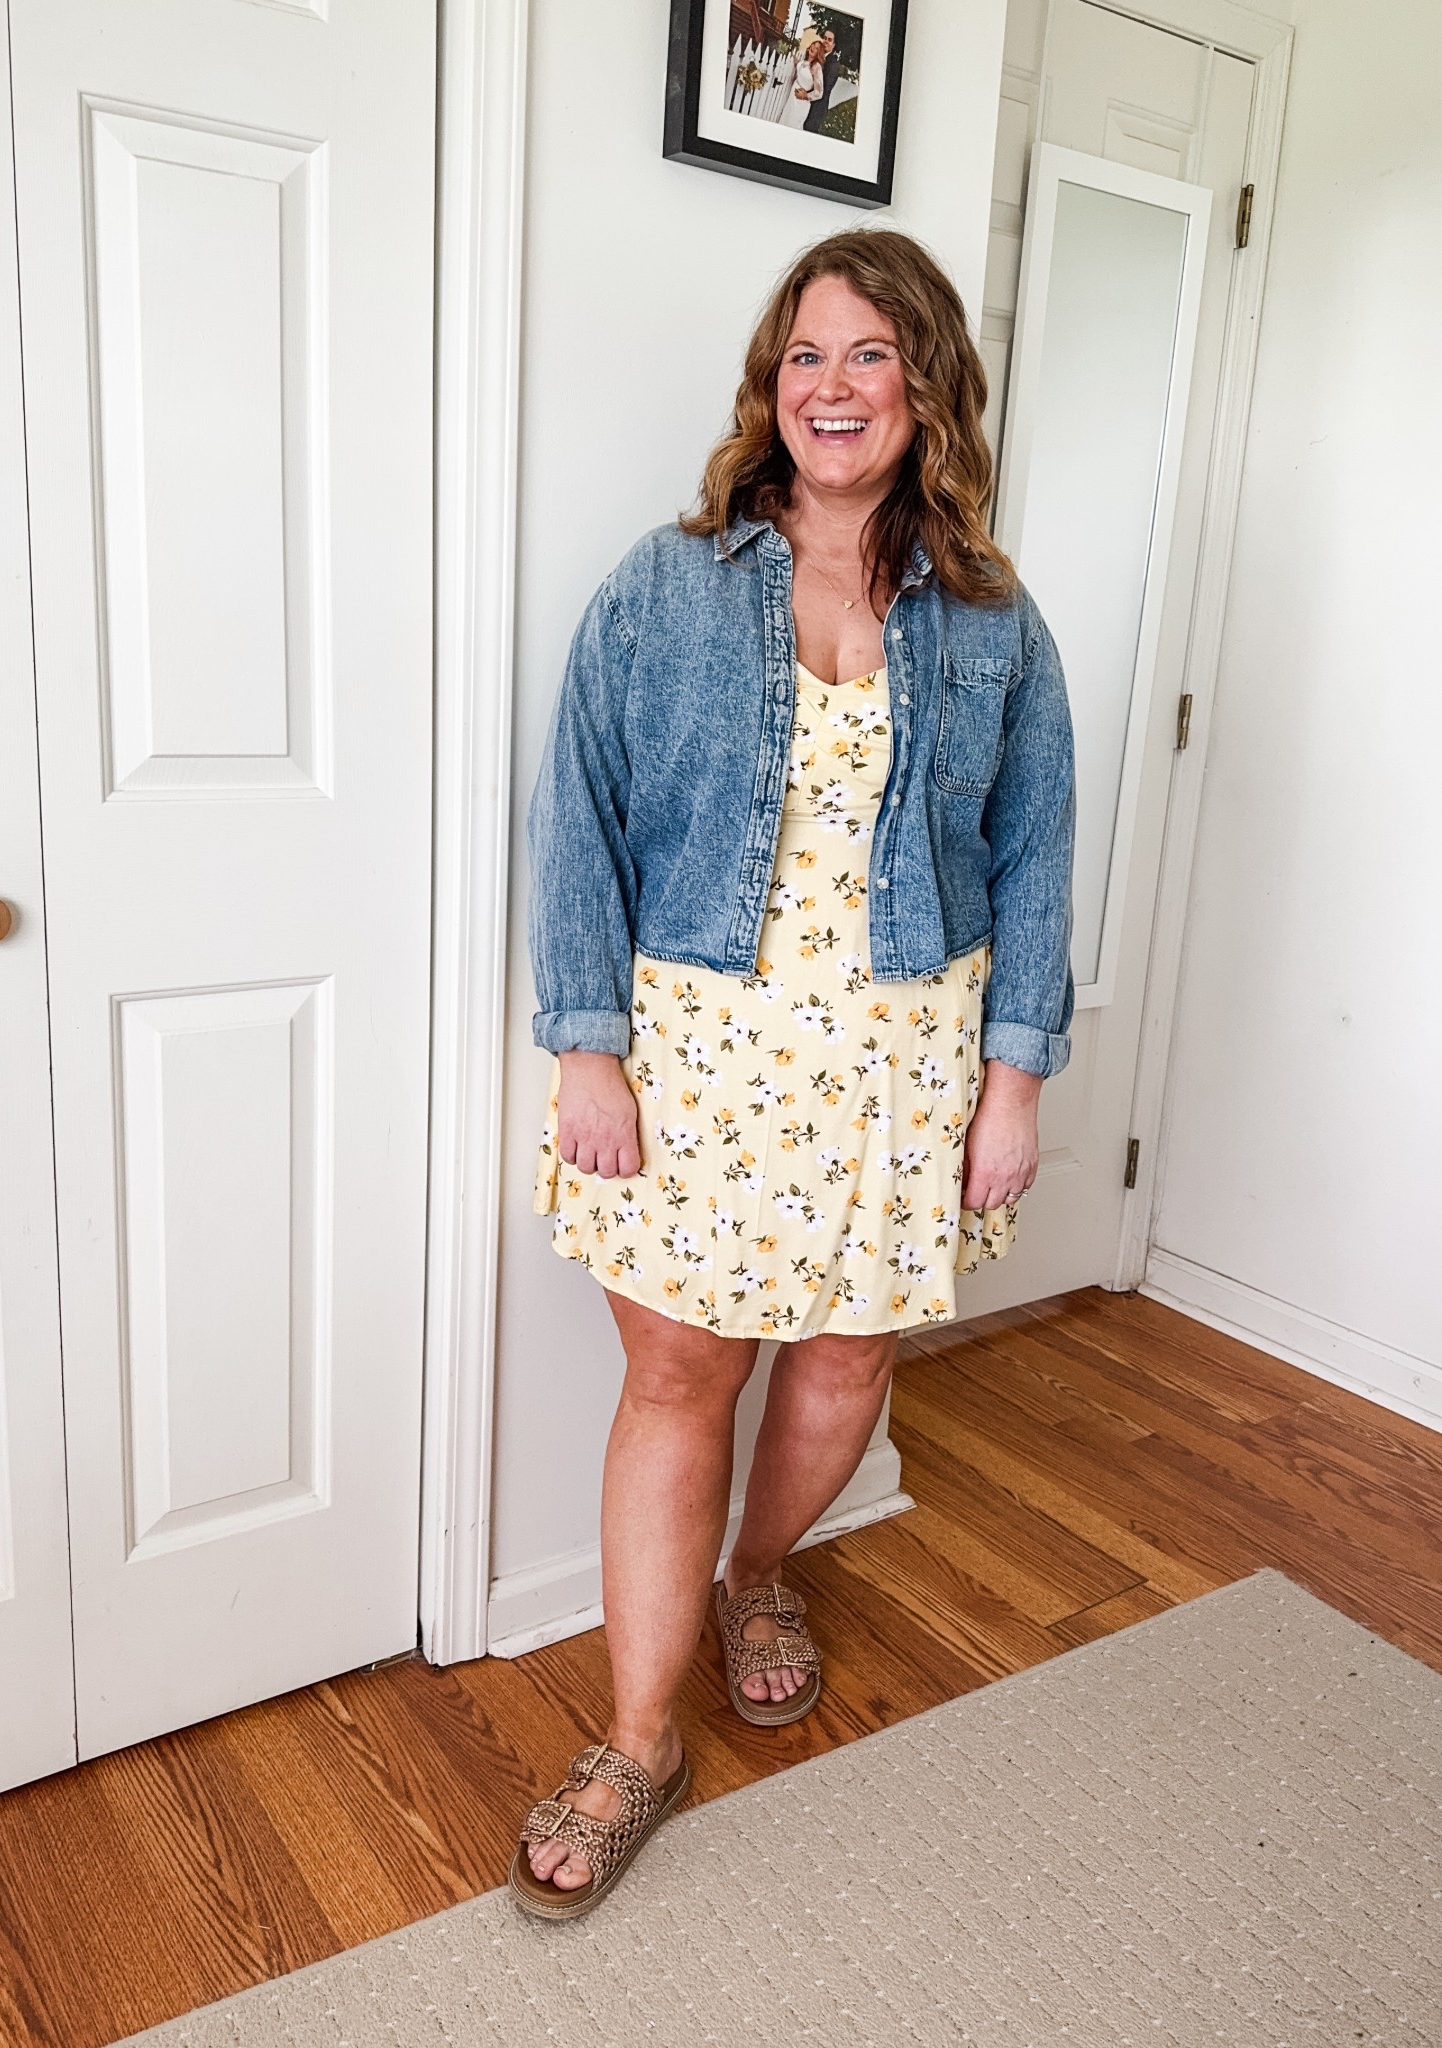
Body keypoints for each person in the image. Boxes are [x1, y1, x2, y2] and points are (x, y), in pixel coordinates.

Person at [509, 227, 1076, 1919]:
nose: (833, 389)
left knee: (840, 1358)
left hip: (910, 1053)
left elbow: (1037, 849)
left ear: (926, 388)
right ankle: (633, 1737)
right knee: (680, 1372)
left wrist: (1016, 1078)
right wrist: (587, 1047)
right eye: (805, 357)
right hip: (698, 1055)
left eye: (871, 357)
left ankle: (763, 1570)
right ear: (771, 386)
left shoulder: (990, 614)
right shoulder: (667, 582)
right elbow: (578, 822)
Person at [780, 35, 826, 129]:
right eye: (813, 44)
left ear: (819, 53)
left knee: (791, 127)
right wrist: (795, 61)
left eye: (817, 48)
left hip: (800, 102)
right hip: (792, 97)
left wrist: (805, 96)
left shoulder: (816, 67)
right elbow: (802, 70)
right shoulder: (805, 61)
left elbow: (819, 92)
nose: (813, 47)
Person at [802, 27, 839, 133]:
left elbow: (825, 89)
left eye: (829, 40)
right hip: (805, 103)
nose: (826, 41)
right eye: (825, 38)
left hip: (816, 109)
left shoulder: (834, 65)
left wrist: (805, 95)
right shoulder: (817, 56)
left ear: (833, 45)